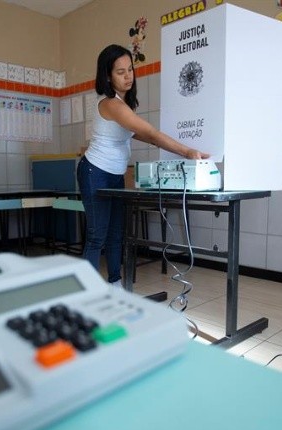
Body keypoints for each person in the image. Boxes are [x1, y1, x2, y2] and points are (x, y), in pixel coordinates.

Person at [77, 44, 211, 287]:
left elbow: (140, 135)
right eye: (120, 72)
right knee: (98, 235)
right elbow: (149, 132)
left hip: (114, 175)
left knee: (117, 233)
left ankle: (115, 285)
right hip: (94, 172)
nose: (128, 76)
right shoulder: (111, 104)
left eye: (130, 69)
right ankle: (85, 294)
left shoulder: (124, 105)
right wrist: (187, 151)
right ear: (107, 75)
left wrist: (183, 150)